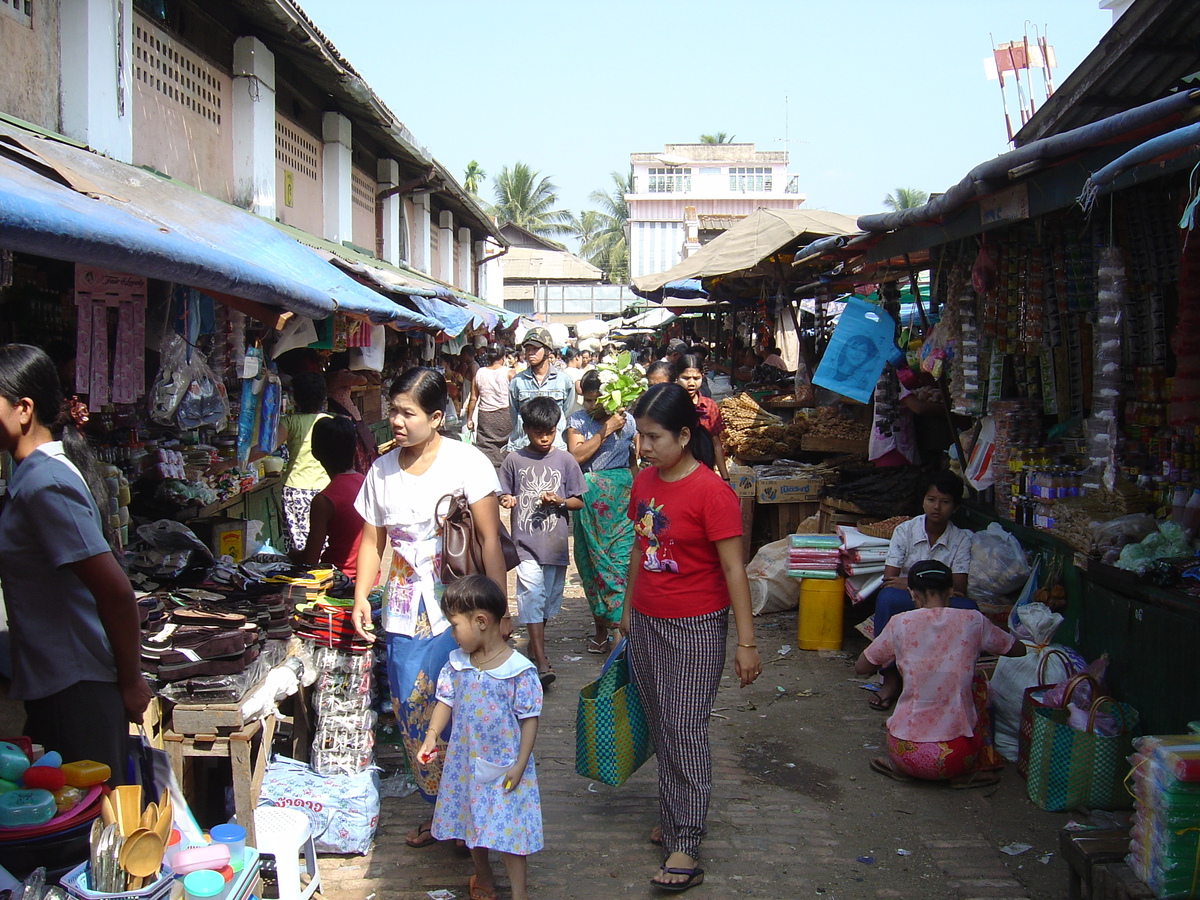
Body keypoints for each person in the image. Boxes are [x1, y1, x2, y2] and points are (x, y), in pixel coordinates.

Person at [351, 367, 508, 849]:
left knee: (466, 706)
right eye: (393, 410)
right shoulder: (380, 470)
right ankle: (441, 811)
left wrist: (498, 615)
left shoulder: (467, 462)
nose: (396, 421)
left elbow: (488, 538)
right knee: (412, 707)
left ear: (436, 417)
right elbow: (372, 540)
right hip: (401, 601)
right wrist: (361, 594)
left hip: (457, 600)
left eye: (407, 412)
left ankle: (471, 817)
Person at [619, 383, 762, 892]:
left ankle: (687, 840)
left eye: (654, 437)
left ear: (684, 435)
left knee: (684, 728)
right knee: (661, 724)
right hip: (648, 622)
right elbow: (640, 549)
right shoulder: (643, 484)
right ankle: (677, 814)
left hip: (697, 627)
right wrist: (626, 610)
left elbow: (734, 569)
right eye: (640, 436)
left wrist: (746, 642)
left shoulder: (712, 493)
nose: (644, 446)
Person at [0, 344, 152, 782]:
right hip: (61, 682)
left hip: (77, 686)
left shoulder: (45, 483)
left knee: (85, 824)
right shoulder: (37, 475)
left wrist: (131, 680)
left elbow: (115, 591)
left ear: (23, 409)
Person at [420, 576, 542, 900]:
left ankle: (520, 891)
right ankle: (483, 874)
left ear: (482, 622)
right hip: (466, 762)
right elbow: (445, 701)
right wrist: (432, 735)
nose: (452, 633)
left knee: (510, 827)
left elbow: (529, 719)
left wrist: (520, 763)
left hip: (505, 765)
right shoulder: (458, 665)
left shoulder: (518, 671)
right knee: (470, 819)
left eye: (455, 625)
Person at [855, 560, 1025, 787]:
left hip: (905, 751)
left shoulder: (900, 623)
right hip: (955, 756)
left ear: (912, 594)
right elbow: (1017, 650)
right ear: (951, 591)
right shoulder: (973, 621)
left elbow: (862, 667)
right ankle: (964, 774)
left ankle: (906, 770)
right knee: (978, 685)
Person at [870, 471, 975, 711]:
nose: (936, 507)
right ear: (923, 501)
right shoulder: (905, 531)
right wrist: (926, 586)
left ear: (955, 507)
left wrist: (911, 582)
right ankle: (890, 678)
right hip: (909, 598)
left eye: (945, 502)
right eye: (931, 499)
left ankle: (953, 679)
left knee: (969, 609)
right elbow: (889, 578)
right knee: (887, 598)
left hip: (941, 601)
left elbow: (959, 588)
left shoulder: (961, 539)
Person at [499, 397, 585, 686]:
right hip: (525, 545)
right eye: (538, 432)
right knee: (532, 597)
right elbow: (505, 492)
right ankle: (541, 659)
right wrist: (507, 499)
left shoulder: (565, 460)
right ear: (526, 429)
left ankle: (536, 646)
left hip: (556, 546)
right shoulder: (514, 459)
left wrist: (560, 500)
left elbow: (578, 502)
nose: (545, 437)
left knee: (546, 604)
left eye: (549, 431)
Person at [565, 370, 637, 654]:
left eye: (596, 400)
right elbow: (576, 456)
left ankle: (620, 630)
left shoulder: (628, 422)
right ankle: (599, 630)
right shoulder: (578, 421)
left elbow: (633, 460)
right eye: (587, 399)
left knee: (619, 564)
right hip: (589, 500)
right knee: (592, 564)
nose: (590, 406)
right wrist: (605, 429)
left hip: (620, 501)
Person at [289, 416, 365, 578]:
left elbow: (310, 560)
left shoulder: (324, 500)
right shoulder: (364, 482)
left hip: (336, 580)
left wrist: (291, 556)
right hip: (368, 576)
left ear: (315, 452)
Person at [280, 372, 332, 552]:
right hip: (325, 488)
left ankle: (304, 577)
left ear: (295, 398)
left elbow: (265, 448)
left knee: (300, 543)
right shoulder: (330, 422)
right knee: (322, 541)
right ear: (323, 397)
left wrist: (229, 463)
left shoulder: (289, 422)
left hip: (296, 490)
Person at [507, 327, 574, 451]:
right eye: (527, 349)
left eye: (535, 349)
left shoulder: (564, 381)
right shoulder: (517, 382)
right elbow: (514, 415)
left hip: (555, 448)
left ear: (548, 351)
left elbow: (566, 413)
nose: (530, 353)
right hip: (523, 447)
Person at [676, 354, 730, 482]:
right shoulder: (669, 404)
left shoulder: (709, 406)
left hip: (704, 472)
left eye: (696, 378)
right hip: (675, 472)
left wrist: (725, 478)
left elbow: (716, 444)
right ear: (676, 377)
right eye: (686, 378)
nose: (691, 383)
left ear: (702, 377)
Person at [325, 356, 377, 475]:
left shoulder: (332, 376)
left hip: (343, 415)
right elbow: (362, 380)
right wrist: (360, 370)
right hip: (348, 416)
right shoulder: (340, 375)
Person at [464, 345, 513, 469]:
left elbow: (473, 398)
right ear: (503, 357)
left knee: (486, 446)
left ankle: (488, 471)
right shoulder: (510, 373)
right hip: (505, 416)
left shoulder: (480, 373)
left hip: (486, 417)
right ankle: (505, 470)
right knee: (506, 445)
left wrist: (469, 419)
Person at [561, 347, 585, 417]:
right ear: (577, 357)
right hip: (577, 409)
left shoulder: (562, 372)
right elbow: (579, 390)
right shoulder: (574, 372)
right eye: (582, 358)